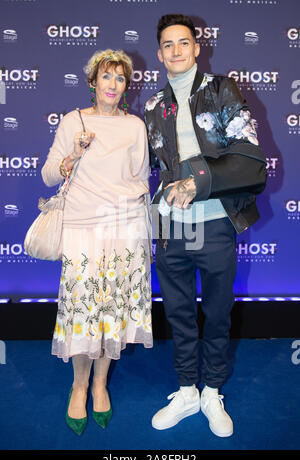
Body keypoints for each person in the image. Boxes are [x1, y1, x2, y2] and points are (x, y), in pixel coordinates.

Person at [144, 14, 267, 437]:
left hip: (215, 224)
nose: (176, 51)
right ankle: (186, 390)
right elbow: (148, 170)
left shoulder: (221, 90)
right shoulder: (152, 106)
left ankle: (212, 390)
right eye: (168, 45)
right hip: (173, 229)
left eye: (184, 43)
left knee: (216, 314)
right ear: (160, 53)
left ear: (197, 48)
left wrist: (196, 179)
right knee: (178, 314)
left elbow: (251, 160)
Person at [41, 49, 152, 435]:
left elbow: (141, 178)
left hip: (125, 228)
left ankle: (101, 384)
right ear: (93, 81)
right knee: (84, 309)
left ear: (126, 86)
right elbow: (48, 175)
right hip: (82, 228)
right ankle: (79, 385)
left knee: (112, 308)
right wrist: (72, 154)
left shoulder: (135, 126)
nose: (113, 85)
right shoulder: (74, 121)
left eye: (120, 79)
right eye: (107, 77)